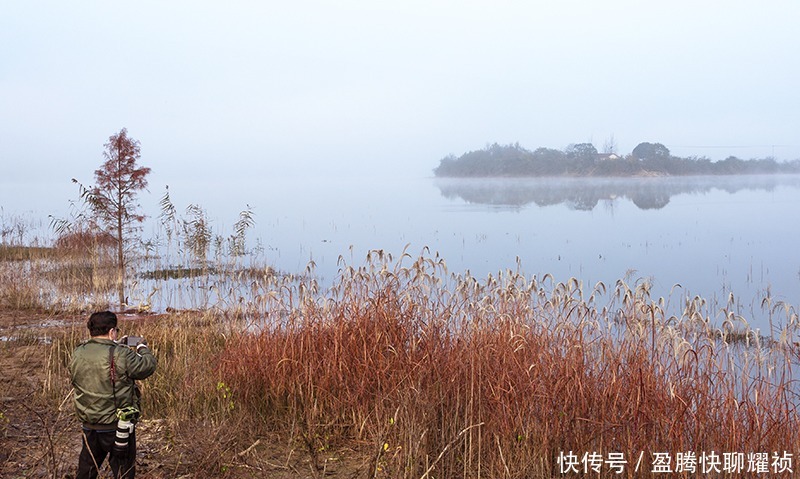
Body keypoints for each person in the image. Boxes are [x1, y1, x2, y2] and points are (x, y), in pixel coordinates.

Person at [69, 311, 157, 479]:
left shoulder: (78, 352)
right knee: (123, 471)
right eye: (116, 330)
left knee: (86, 471)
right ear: (111, 332)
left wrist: (117, 345)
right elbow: (147, 367)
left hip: (89, 424)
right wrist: (143, 348)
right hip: (118, 426)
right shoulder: (121, 354)